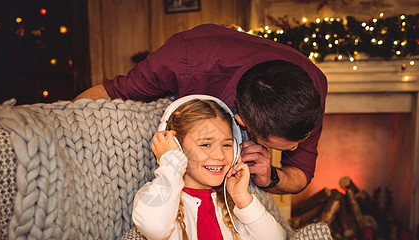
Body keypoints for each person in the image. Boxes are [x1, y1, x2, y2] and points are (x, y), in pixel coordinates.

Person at [75, 24, 327, 194]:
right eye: (277, 145)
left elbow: (302, 173)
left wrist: (271, 176)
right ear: (242, 122)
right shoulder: (183, 57)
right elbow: (112, 92)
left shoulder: (312, 85)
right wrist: (60, 126)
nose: (296, 148)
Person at [132, 97, 298, 240]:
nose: (219, 155)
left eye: (227, 145)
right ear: (176, 148)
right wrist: (171, 164)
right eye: (206, 144)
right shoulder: (162, 197)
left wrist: (242, 198)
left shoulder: (230, 201)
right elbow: (154, 226)